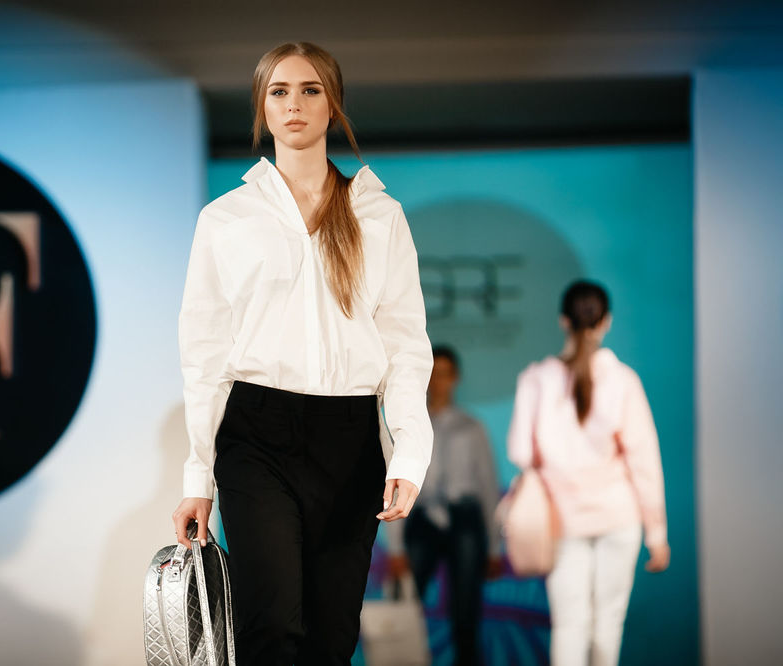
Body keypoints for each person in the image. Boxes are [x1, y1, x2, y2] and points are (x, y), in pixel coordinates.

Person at [170, 41, 434, 665]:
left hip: (349, 436)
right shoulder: (226, 219)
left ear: (333, 104)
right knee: (270, 626)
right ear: (262, 108)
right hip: (255, 433)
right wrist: (198, 477)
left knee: (331, 639)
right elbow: (204, 355)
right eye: (279, 91)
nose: (294, 104)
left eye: (311, 89)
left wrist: (409, 451)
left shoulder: (380, 215)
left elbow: (406, 344)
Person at [506, 279, 670, 666]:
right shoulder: (623, 380)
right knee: (608, 623)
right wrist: (657, 534)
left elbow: (520, 452)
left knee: (569, 625)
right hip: (619, 517)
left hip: (562, 519)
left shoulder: (535, 380)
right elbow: (644, 462)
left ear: (563, 321)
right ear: (606, 322)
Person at [386, 344, 502, 666]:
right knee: (404, 606)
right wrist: (395, 548)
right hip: (421, 517)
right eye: (433, 374)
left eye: (445, 374)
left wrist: (494, 547)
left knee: (466, 610)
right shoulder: (407, 428)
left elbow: (487, 486)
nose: (439, 381)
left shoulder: (472, 427)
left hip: (465, 519)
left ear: (456, 378)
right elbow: (396, 484)